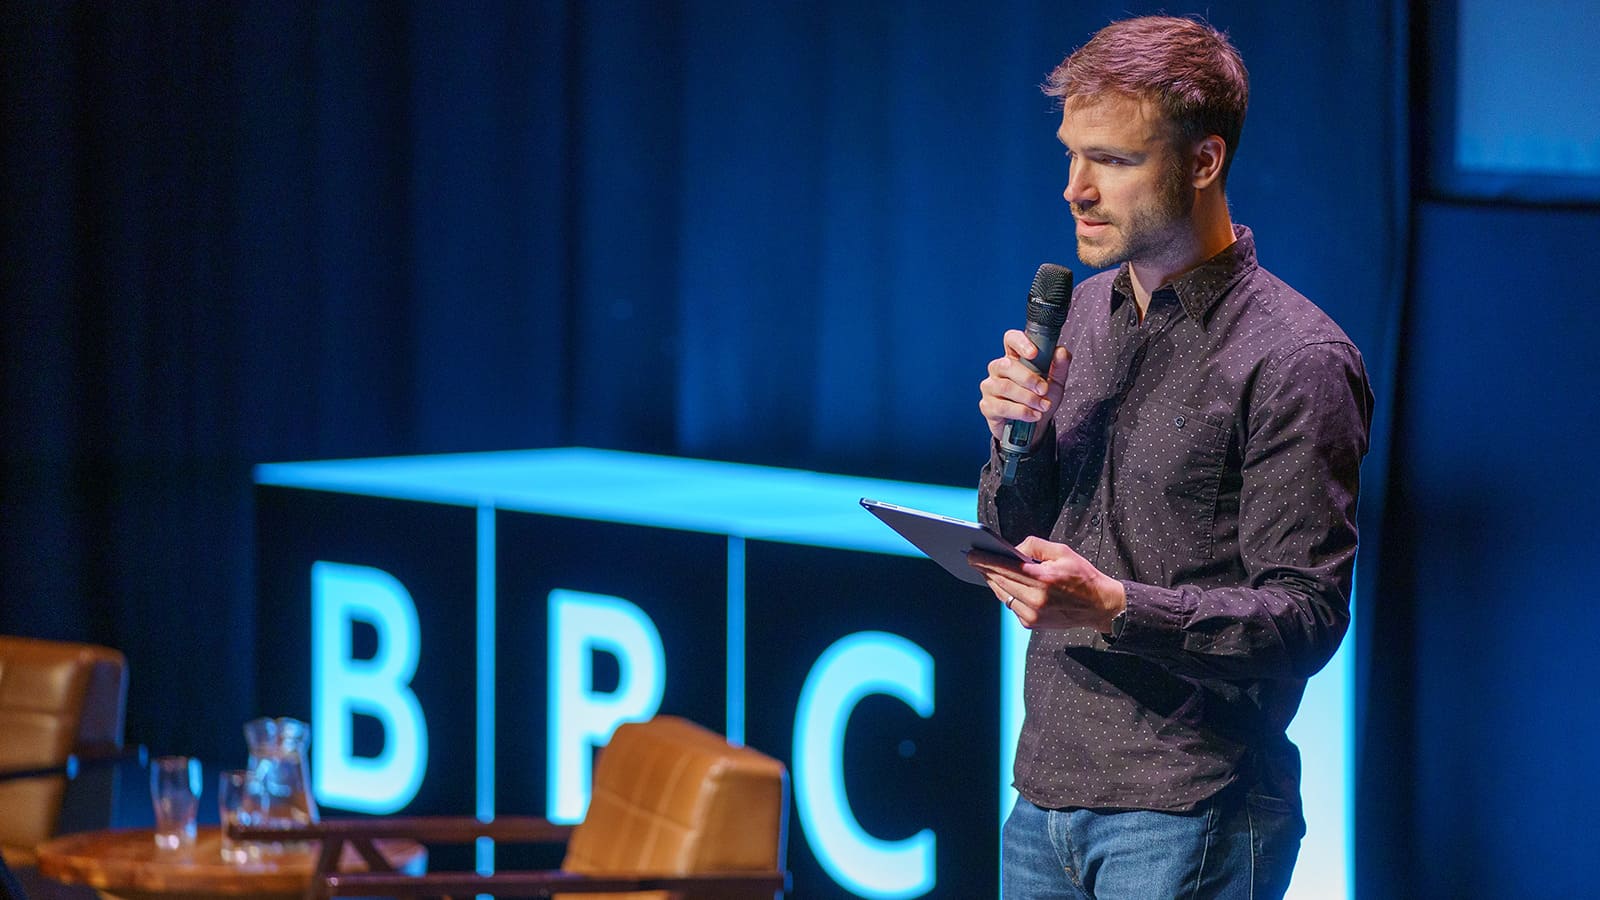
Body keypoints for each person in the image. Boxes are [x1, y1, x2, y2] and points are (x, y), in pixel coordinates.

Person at [969, 15, 1373, 899]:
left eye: (1113, 161)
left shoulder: (1294, 358)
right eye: (1073, 156)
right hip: (1043, 799)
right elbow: (1017, 530)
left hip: (1193, 809)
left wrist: (1117, 607)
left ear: (1203, 162)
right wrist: (1014, 445)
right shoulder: (1078, 315)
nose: (1076, 189)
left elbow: (1305, 618)